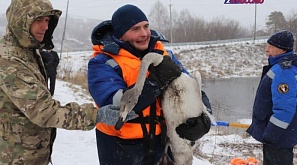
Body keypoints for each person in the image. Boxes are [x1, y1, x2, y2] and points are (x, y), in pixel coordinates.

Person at [0, 0, 123, 164]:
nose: (44, 26)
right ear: (20, 20)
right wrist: (96, 115)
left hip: (30, 153)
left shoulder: (27, 51)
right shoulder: (9, 61)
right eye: (38, 20)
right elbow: (43, 111)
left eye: (47, 20)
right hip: (14, 157)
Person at [88, 4, 211, 165]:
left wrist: (204, 116)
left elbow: (189, 88)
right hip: (121, 149)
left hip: (162, 145)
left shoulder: (164, 55)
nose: (144, 33)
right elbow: (117, 107)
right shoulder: (102, 62)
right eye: (135, 29)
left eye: (146, 26)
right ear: (120, 34)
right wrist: (156, 82)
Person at [246, 30, 297, 165]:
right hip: (282, 134)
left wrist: (272, 135)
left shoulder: (283, 71)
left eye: (271, 46)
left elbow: (285, 108)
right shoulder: (284, 66)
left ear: (282, 50)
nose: (266, 50)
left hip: (279, 137)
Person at [150, 29, 213, 114]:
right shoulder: (138, 62)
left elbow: (183, 73)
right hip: (159, 108)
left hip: (175, 99)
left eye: (160, 44)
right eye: (156, 44)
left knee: (199, 93)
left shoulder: (169, 55)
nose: (159, 47)